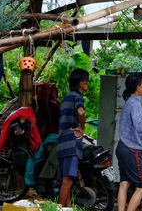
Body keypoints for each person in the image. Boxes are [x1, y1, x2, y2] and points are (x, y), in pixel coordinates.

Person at [117, 73, 142, 211]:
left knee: (124, 184)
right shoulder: (135, 105)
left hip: (122, 147)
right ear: (137, 87)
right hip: (131, 150)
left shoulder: (130, 103)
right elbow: (140, 127)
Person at [57, 68, 89, 207]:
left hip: (62, 141)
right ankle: (58, 209)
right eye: (86, 81)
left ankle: (67, 208)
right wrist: (82, 128)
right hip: (71, 142)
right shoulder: (77, 97)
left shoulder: (67, 97)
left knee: (66, 180)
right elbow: (81, 112)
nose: (88, 84)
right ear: (81, 83)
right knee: (68, 181)